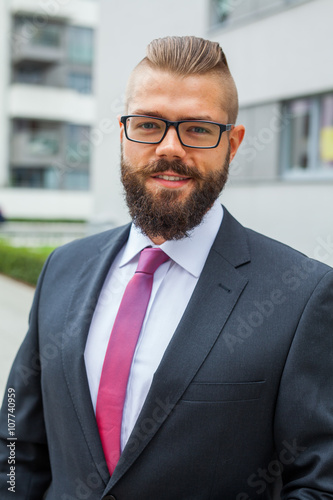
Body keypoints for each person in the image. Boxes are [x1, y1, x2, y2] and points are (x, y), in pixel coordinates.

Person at [0, 36, 332, 500]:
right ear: (123, 134)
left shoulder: (303, 296)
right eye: (149, 124)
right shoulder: (63, 268)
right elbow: (16, 435)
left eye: (197, 128)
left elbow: (321, 484)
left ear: (233, 144)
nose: (169, 148)